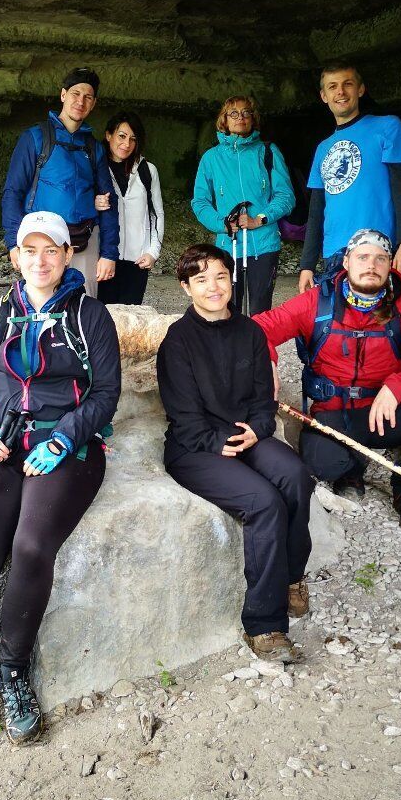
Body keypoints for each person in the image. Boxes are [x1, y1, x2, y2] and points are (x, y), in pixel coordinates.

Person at [0, 211, 121, 771]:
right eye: (30, 250)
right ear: (16, 256)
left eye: (53, 250)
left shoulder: (90, 316)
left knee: (31, 549)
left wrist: (65, 438)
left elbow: (105, 392)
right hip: (2, 445)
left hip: (66, 447)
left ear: (68, 256)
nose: (41, 261)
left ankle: (13, 671)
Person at [157, 244, 314, 663]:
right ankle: (264, 626)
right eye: (202, 279)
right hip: (197, 449)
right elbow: (183, 412)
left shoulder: (249, 332)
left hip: (247, 435)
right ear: (186, 287)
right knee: (263, 501)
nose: (213, 287)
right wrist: (221, 442)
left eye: (221, 277)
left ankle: (291, 578)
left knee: (296, 476)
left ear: (232, 280)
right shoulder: (178, 340)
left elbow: (265, 399)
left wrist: (258, 431)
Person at [255, 229, 401, 533]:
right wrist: (267, 362)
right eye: (363, 257)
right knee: (322, 464)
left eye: (380, 258)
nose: (371, 265)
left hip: (386, 415)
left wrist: (397, 387)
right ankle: (352, 466)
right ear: (347, 262)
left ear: (390, 265)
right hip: (334, 416)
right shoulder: (317, 303)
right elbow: (256, 330)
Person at [299, 62, 401, 293]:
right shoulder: (323, 148)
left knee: (380, 323)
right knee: (337, 326)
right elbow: (316, 210)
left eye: (347, 84)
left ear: (360, 89)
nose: (340, 92)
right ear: (324, 96)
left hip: (376, 247)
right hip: (334, 253)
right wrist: (307, 266)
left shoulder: (388, 127)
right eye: (332, 87)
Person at [2, 67, 118, 298]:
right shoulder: (36, 137)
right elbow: (13, 192)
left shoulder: (94, 147)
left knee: (83, 307)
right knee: (39, 305)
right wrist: (13, 243)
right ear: (63, 95)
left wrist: (108, 254)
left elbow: (108, 202)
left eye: (88, 97)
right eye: (76, 94)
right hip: (41, 241)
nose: (80, 101)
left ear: (94, 103)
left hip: (83, 238)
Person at [191, 97, 295, 315]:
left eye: (246, 113)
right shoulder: (212, 158)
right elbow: (200, 202)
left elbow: (286, 196)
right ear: (224, 120)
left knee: (260, 311)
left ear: (253, 119)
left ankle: (257, 349)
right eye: (234, 114)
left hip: (264, 245)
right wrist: (224, 224)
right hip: (229, 245)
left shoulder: (268, 152)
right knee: (227, 309)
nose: (241, 118)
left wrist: (260, 219)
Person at [96, 111, 164, 305]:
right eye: (122, 136)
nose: (126, 144)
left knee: (131, 318)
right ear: (108, 135)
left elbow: (157, 214)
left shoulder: (147, 170)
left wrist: (153, 252)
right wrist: (93, 203)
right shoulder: (96, 168)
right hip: (103, 257)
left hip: (137, 259)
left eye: (133, 139)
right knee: (102, 317)